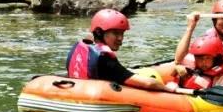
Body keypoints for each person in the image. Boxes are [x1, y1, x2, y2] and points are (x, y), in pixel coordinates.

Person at [65, 9, 194, 94]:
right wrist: (168, 88)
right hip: (94, 100)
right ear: (99, 32)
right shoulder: (104, 59)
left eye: (122, 34)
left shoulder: (78, 47)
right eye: (115, 33)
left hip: (77, 94)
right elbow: (148, 83)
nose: (120, 39)